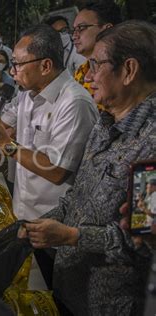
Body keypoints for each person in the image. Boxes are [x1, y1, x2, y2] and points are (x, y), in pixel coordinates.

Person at [19, 20, 156, 315]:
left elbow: (143, 240)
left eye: (95, 65)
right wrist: (34, 226)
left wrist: (72, 237)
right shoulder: (105, 124)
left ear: (129, 70)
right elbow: (77, 196)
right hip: (70, 285)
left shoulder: (151, 147)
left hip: (109, 302)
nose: (88, 75)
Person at [0, 24, 98, 220]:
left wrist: (6, 144)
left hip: (53, 221)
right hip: (23, 209)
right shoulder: (27, 95)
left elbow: (57, 171)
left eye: (18, 64)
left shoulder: (74, 103)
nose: (13, 72)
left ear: (45, 66)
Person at [72, 2, 122, 110]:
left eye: (81, 28)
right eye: (74, 29)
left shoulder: (122, 69)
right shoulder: (80, 72)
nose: (74, 36)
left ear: (107, 29)